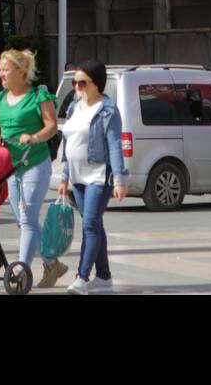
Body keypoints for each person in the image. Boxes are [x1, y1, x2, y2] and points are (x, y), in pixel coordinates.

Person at [0, 48, 65, 289]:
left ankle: (20, 272)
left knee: (28, 220)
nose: (1, 73)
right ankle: (52, 263)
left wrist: (33, 137)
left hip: (34, 164)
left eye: (5, 69)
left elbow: (51, 127)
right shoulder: (0, 98)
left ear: (21, 72)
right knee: (23, 222)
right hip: (10, 166)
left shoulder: (38, 97)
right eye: (1, 69)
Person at [58, 60, 128, 295]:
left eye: (82, 83)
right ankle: (104, 277)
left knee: (89, 225)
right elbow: (68, 143)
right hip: (77, 175)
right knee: (95, 224)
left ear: (96, 84)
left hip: (99, 174)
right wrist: (64, 176)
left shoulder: (108, 110)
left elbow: (115, 145)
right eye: (74, 83)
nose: (77, 87)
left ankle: (82, 276)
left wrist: (119, 179)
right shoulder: (73, 107)